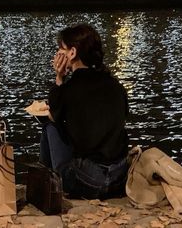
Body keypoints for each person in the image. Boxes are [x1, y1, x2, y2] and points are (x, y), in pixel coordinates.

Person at [39, 23, 129, 199]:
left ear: (72, 53)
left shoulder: (70, 88)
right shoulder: (116, 85)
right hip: (119, 178)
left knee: (49, 126)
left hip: (90, 181)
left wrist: (59, 77)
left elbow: (55, 114)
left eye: (61, 48)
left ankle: (44, 186)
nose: (57, 53)